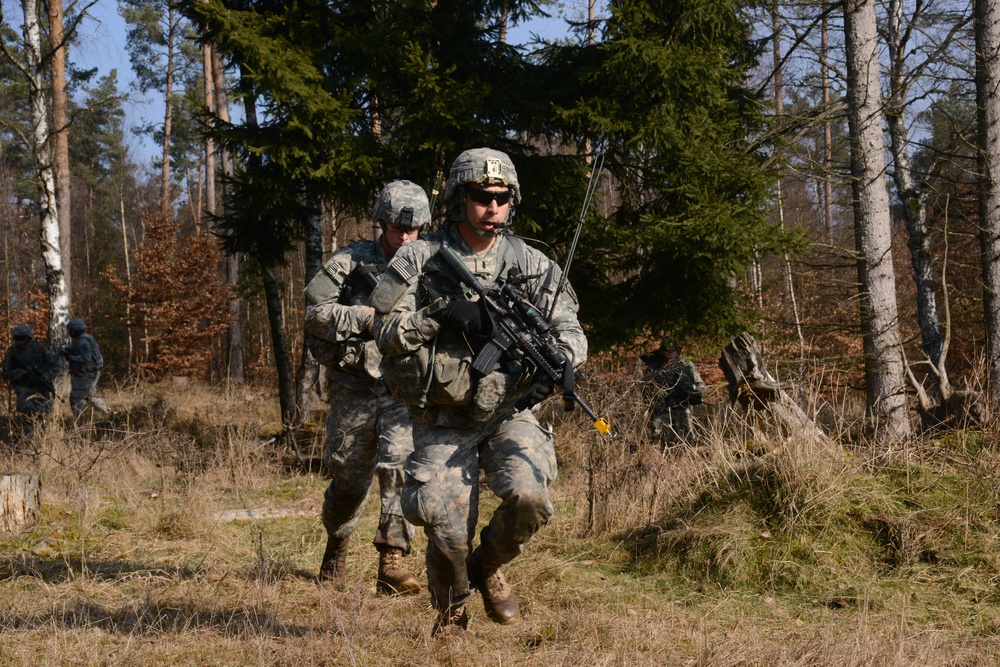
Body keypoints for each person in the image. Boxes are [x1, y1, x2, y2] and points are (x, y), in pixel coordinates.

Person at [370, 148, 588, 635]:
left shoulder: (534, 264)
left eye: (501, 197)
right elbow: (383, 330)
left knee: (532, 498)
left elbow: (572, 332)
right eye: (480, 196)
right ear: (457, 197)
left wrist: (563, 360)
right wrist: (439, 314)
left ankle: (487, 566)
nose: (492, 206)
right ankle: (450, 611)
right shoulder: (419, 258)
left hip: (509, 410)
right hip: (442, 417)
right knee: (445, 527)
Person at [304, 179, 429, 595]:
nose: (406, 237)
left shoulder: (433, 264)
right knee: (348, 476)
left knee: (399, 471)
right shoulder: (350, 261)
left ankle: (390, 561)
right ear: (382, 223)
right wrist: (364, 319)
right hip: (355, 386)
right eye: (398, 229)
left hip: (403, 387)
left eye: (413, 230)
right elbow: (314, 311)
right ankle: (336, 545)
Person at [640, 338, 706, 447]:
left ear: (678, 351)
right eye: (667, 351)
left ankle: (683, 461)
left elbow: (700, 384)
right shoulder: (654, 368)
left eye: (673, 350)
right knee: (663, 439)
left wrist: (698, 394)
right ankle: (665, 462)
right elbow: (644, 386)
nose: (670, 353)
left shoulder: (686, 366)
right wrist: (655, 391)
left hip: (683, 408)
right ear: (662, 352)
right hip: (663, 409)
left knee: (687, 439)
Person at [1, 324, 59, 422]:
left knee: (45, 414)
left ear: (29, 338)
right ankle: (29, 435)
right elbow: (5, 373)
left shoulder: (40, 348)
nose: (19, 341)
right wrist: (21, 373)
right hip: (24, 387)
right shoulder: (12, 352)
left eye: (21, 338)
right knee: (28, 413)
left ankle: (44, 435)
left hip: (41, 386)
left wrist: (47, 376)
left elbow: (54, 364)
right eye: (16, 339)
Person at [63, 318, 111, 417]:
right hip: (89, 372)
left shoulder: (83, 341)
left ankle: (81, 419)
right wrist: (69, 350)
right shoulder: (84, 339)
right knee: (90, 397)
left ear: (74, 330)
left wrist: (70, 357)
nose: (69, 333)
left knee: (76, 398)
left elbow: (85, 358)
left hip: (86, 373)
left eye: (70, 330)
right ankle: (109, 413)